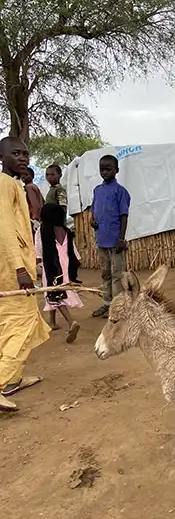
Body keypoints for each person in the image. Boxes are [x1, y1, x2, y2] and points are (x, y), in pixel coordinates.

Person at [0, 137, 51, 412]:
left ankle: (13, 379)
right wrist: (20, 269)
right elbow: (5, 229)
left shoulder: (14, 184)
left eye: (25, 154)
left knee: (9, 324)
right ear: (1, 157)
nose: (22, 158)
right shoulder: (3, 185)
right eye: (15, 153)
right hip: (11, 270)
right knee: (22, 324)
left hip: (13, 266)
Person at [34, 203, 82, 343]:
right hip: (66, 266)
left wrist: (35, 266)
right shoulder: (65, 231)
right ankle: (52, 321)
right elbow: (74, 252)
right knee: (55, 292)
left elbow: (38, 253)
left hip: (51, 267)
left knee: (54, 294)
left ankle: (71, 322)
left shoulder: (42, 231)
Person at [91, 155, 131, 318]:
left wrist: (121, 239)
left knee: (117, 274)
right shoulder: (97, 190)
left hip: (115, 241)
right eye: (102, 169)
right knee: (105, 273)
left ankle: (118, 306)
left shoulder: (120, 191)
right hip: (102, 239)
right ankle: (107, 304)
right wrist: (92, 220)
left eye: (109, 169)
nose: (105, 172)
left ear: (117, 170)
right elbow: (93, 210)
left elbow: (124, 215)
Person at [22, 166, 44, 231]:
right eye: (22, 175)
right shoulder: (34, 186)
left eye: (26, 175)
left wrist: (35, 218)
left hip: (32, 219)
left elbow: (34, 204)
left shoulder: (29, 187)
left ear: (32, 176)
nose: (24, 177)